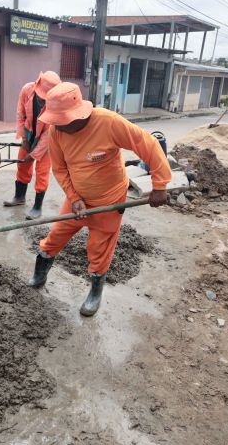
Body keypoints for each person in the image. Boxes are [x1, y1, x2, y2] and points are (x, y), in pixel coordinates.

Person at [28, 82, 172, 316]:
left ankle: (95, 292)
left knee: (99, 248)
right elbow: (60, 169)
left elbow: (148, 144)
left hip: (109, 200)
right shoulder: (55, 131)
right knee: (55, 236)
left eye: (60, 120)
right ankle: (39, 274)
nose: (56, 125)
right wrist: (74, 198)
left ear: (76, 115)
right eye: (53, 120)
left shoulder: (108, 122)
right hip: (77, 199)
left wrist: (160, 184)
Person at [4, 71, 61, 220]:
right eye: (41, 97)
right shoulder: (27, 90)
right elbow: (20, 114)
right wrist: (24, 138)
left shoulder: (58, 104)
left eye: (46, 99)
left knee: (42, 172)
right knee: (22, 164)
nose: (43, 101)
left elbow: (49, 134)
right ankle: (19, 197)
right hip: (29, 132)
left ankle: (37, 207)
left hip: (47, 139)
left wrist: (34, 154)